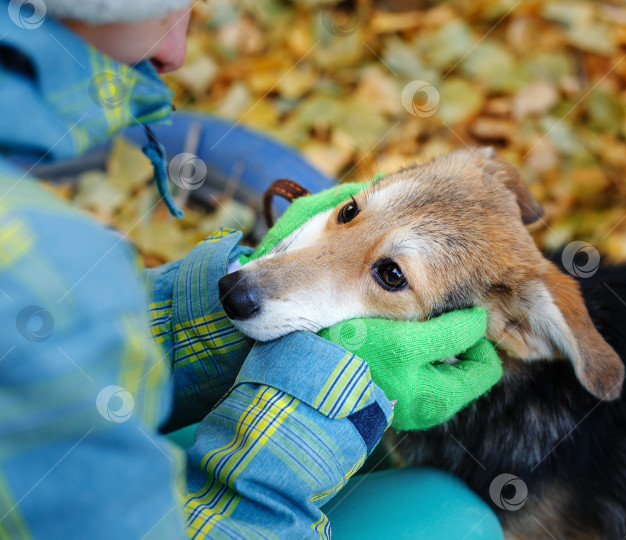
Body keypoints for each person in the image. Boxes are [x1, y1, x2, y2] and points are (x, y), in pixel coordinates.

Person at [0, 1, 503, 538]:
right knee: (451, 514)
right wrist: (315, 407)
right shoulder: (55, 269)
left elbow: (38, 372)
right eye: (158, 7)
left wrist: (202, 324)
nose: (177, 51)